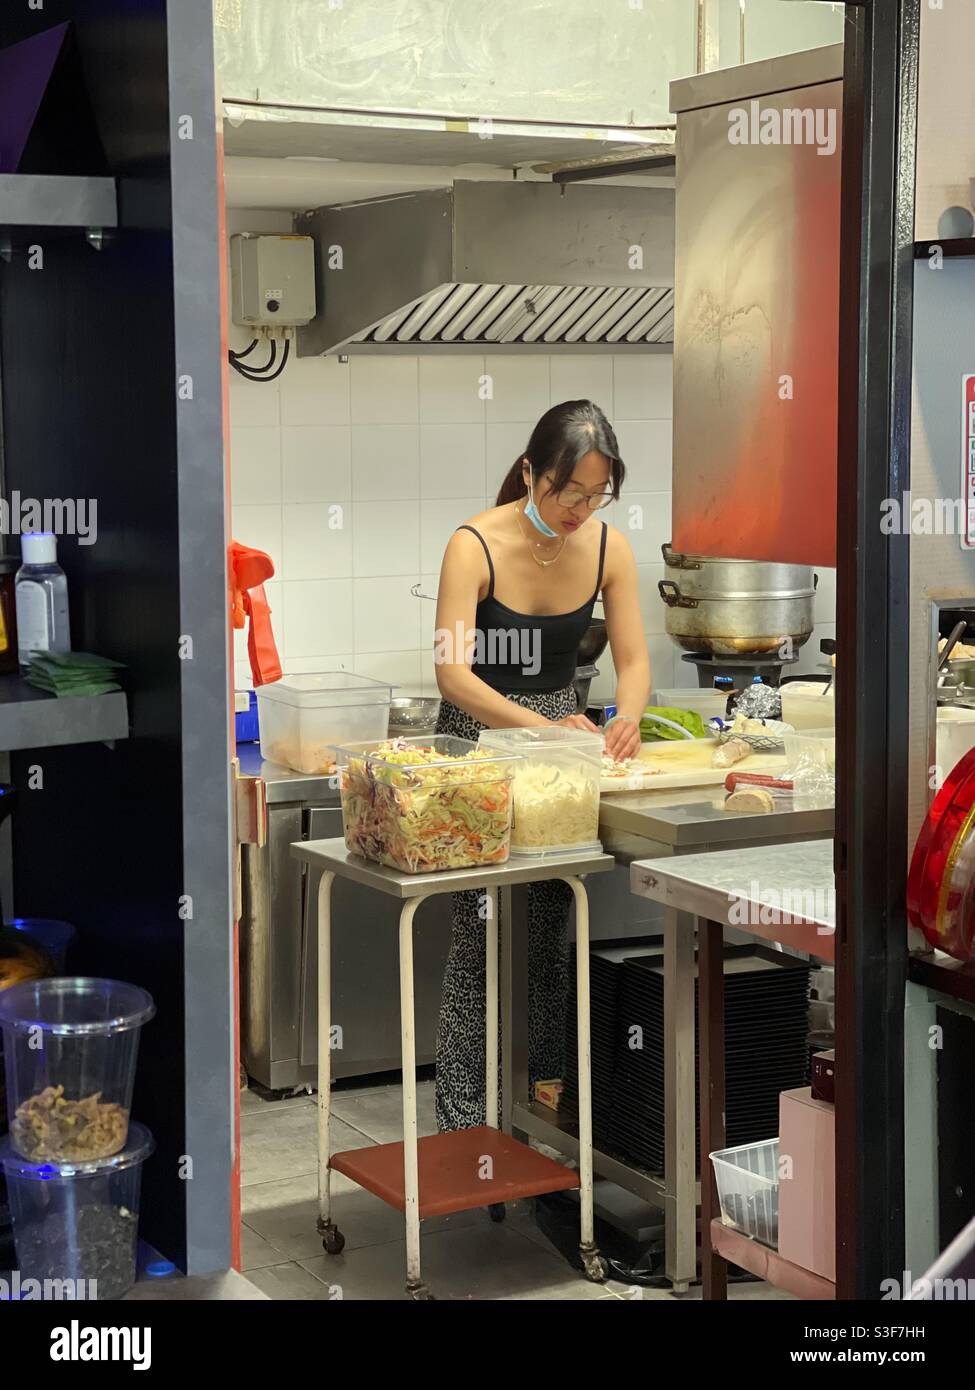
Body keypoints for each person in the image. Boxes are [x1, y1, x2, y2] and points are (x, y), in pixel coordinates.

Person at [432, 399, 651, 1131]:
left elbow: (635, 658)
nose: (580, 509)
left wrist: (625, 714)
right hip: (477, 742)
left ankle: (539, 1110)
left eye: (597, 495)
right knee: (481, 935)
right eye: (568, 493)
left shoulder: (606, 547)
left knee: (550, 929)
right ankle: (466, 1123)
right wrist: (544, 733)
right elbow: (454, 676)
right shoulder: (474, 544)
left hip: (559, 741)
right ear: (530, 472)